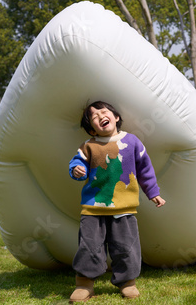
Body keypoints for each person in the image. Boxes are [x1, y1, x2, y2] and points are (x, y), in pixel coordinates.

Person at [68, 100, 165, 303]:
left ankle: (127, 282)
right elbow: (77, 163)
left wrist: (153, 192)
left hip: (125, 208)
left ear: (116, 117)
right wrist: (77, 170)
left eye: (104, 112)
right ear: (91, 128)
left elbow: (145, 170)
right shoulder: (88, 146)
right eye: (93, 117)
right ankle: (84, 284)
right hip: (94, 208)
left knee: (126, 247)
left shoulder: (133, 142)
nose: (100, 116)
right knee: (89, 247)